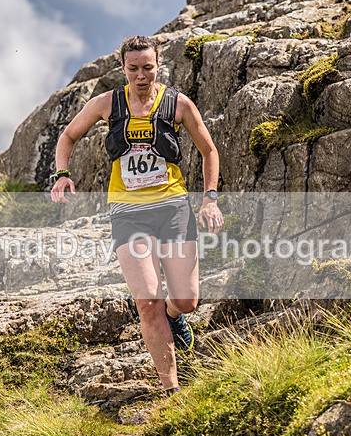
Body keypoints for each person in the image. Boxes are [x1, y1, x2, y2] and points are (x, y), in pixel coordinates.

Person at [50, 35, 224, 396]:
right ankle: (171, 390)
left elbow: (209, 151)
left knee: (186, 300)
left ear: (158, 65)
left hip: (173, 208)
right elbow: (67, 136)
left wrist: (210, 200)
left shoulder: (178, 104)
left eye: (148, 67)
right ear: (122, 68)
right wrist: (62, 175)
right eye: (133, 69)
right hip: (128, 213)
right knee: (147, 302)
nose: (141, 75)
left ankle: (174, 319)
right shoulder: (106, 103)